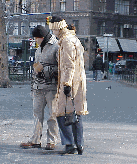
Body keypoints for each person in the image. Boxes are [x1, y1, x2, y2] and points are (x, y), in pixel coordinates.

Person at [49, 16, 89, 155]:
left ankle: (69, 144)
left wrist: (66, 83)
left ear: (57, 28)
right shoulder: (74, 39)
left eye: (53, 29)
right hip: (78, 83)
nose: (53, 32)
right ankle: (80, 144)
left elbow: (68, 65)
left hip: (70, 83)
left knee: (62, 114)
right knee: (76, 114)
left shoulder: (65, 41)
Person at [20, 25, 59, 150]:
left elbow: (62, 68)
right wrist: (33, 85)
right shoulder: (39, 48)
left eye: (36, 38)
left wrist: (45, 70)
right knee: (37, 115)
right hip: (38, 87)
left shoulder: (56, 46)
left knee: (52, 115)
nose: (35, 41)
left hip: (51, 87)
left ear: (42, 37)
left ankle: (51, 141)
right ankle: (35, 140)